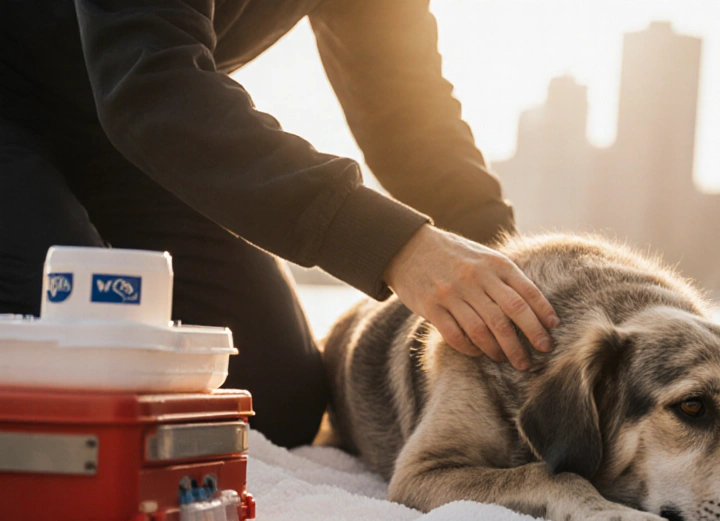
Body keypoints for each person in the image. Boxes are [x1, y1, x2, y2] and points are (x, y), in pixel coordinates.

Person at [0, 1, 559, 448]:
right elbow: (151, 82)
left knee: (274, 401)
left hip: (131, 147)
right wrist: (395, 247)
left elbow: (409, 115)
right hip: (53, 104)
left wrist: (521, 276)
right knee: (70, 369)